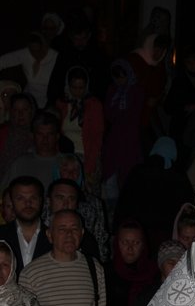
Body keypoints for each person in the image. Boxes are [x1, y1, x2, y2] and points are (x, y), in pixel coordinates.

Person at [113, 136, 195, 256]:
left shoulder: (138, 171)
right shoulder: (177, 175)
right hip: (166, 234)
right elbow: (187, 203)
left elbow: (124, 203)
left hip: (139, 234)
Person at [101, 57, 145, 224]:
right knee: (110, 175)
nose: (120, 80)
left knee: (128, 176)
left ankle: (128, 214)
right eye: (117, 77)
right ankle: (113, 213)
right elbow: (109, 114)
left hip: (130, 140)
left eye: (122, 76)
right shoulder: (112, 91)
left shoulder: (136, 91)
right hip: (114, 140)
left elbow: (133, 115)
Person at [55, 65, 104, 194]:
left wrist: (88, 167)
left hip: (88, 156)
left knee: (87, 196)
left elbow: (96, 137)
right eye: (74, 87)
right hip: (66, 157)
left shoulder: (94, 105)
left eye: (81, 88)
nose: (77, 92)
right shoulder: (61, 104)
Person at [1, 110, 63, 195]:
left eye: (50, 134)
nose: (45, 139)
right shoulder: (20, 163)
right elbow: (4, 192)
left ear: (57, 136)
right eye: (40, 134)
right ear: (32, 136)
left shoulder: (66, 163)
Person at [0, 176, 50, 278]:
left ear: (41, 200)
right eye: (20, 198)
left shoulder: (55, 238)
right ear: (12, 202)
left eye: (33, 198)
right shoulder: (1, 235)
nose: (28, 203)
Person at [0, 31, 58, 110]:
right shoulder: (26, 54)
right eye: (32, 51)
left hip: (49, 101)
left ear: (44, 47)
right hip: (29, 100)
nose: (35, 54)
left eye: (38, 50)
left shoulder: (55, 57)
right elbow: (3, 61)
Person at [0, 92, 37, 182]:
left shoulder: (41, 134)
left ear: (32, 111)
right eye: (16, 110)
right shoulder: (2, 133)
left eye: (25, 109)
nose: (20, 114)